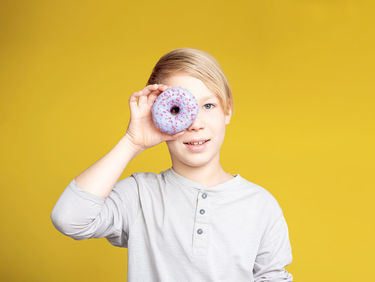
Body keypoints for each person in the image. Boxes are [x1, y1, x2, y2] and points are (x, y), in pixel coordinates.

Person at [50, 48, 293, 281]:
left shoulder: (260, 205)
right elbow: (70, 219)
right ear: (157, 115)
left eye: (208, 106)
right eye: (178, 109)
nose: (196, 123)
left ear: (227, 109)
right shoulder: (140, 196)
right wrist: (132, 142)